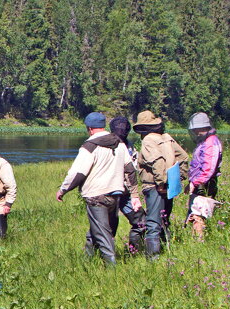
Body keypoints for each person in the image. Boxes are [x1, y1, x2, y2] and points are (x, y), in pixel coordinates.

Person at [57, 112, 141, 266]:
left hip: (96, 196)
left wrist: (63, 190)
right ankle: (88, 260)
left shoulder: (89, 146)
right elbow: (130, 170)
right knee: (97, 229)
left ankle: (111, 267)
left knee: (102, 233)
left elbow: (78, 173)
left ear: (89, 128)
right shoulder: (119, 144)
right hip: (115, 195)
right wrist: (135, 194)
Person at [132, 110, 189, 257]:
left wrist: (160, 183)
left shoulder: (148, 141)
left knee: (153, 222)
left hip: (154, 186)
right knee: (164, 219)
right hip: (169, 185)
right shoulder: (167, 138)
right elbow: (183, 157)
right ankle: (166, 252)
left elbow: (157, 161)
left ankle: (153, 257)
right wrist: (178, 178)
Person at [109, 116, 147, 253]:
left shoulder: (129, 147)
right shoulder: (105, 145)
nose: (122, 131)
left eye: (124, 129)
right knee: (107, 227)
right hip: (109, 193)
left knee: (142, 222)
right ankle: (100, 257)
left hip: (126, 194)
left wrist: (134, 194)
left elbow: (133, 170)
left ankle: (133, 251)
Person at [186, 112, 222, 239]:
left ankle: (199, 242)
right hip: (199, 184)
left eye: (197, 130)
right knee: (195, 214)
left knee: (199, 215)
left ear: (204, 127)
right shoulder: (204, 141)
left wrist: (196, 183)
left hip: (205, 184)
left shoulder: (211, 142)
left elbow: (208, 168)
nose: (196, 133)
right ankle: (196, 240)